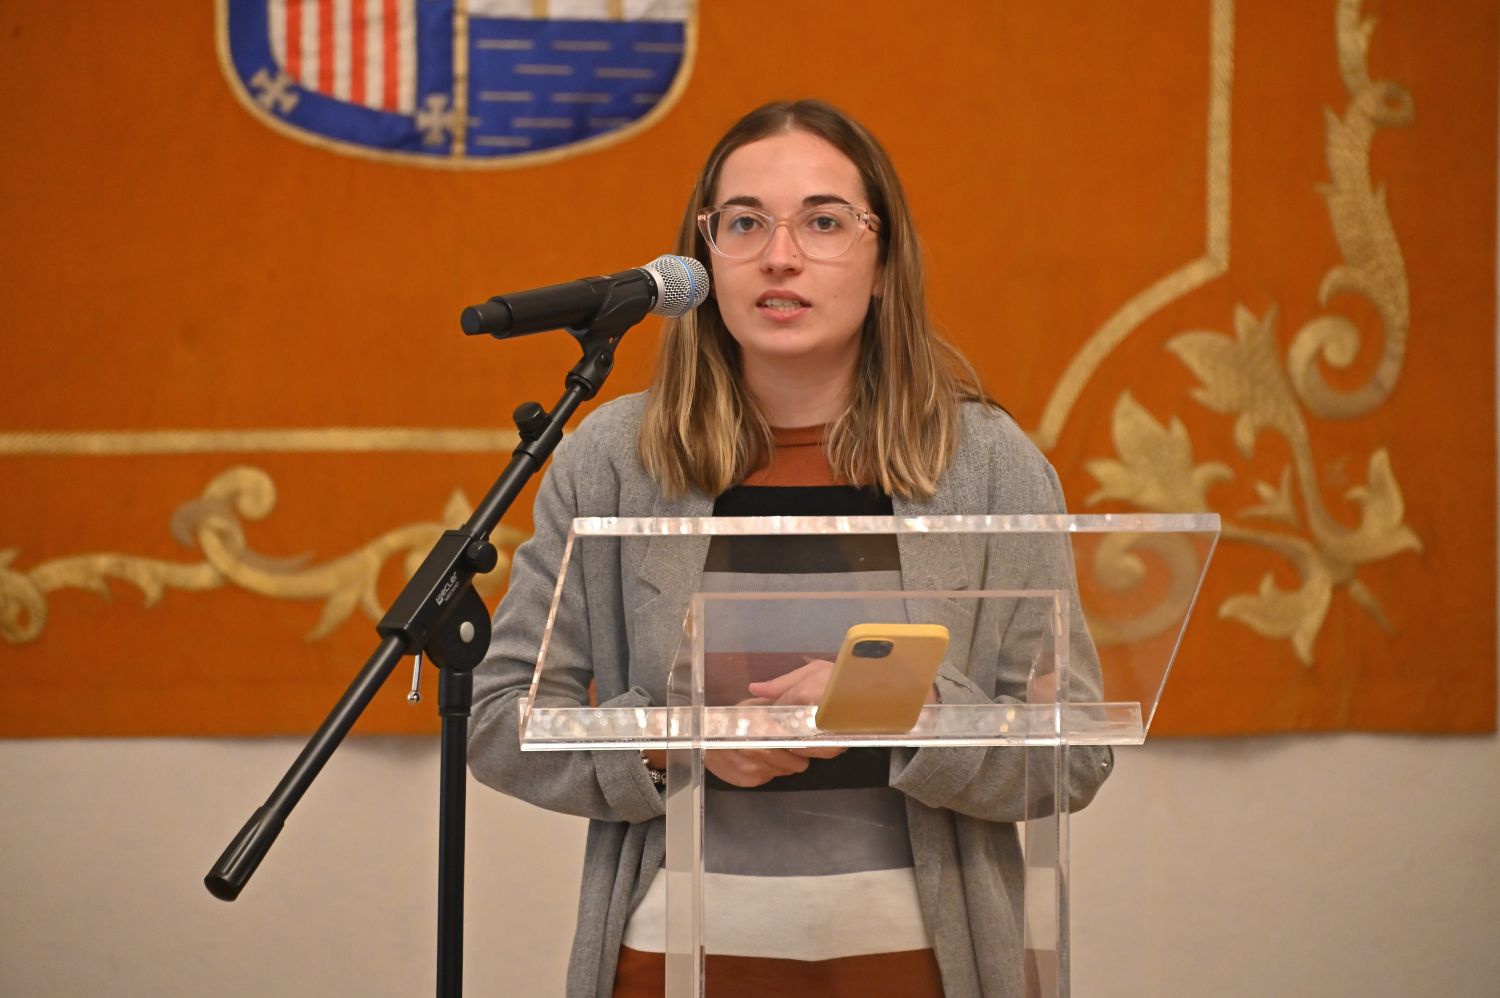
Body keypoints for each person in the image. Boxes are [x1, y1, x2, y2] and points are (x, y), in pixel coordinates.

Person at [468, 99, 1112, 998]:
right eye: (744, 223)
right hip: (675, 960)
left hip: (925, 967)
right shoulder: (612, 461)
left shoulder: (991, 466)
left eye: (823, 222)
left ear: (883, 263)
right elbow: (500, 719)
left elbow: (1075, 749)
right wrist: (679, 740)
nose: (780, 255)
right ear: (704, 262)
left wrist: (912, 712)